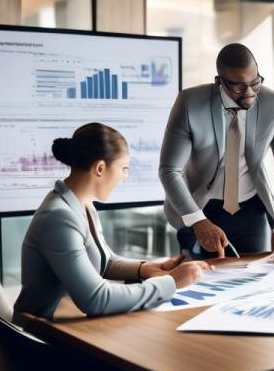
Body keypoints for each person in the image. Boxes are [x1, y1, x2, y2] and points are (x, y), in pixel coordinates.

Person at [14, 123, 205, 320]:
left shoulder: (82, 204)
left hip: (69, 326)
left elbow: (103, 261)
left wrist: (147, 269)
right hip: (42, 336)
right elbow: (97, 300)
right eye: (124, 168)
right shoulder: (59, 217)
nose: (125, 176)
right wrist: (171, 282)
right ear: (100, 168)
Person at [160, 44, 274, 265]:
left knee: (254, 277)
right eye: (240, 86)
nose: (250, 93)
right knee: (203, 276)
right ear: (220, 81)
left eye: (255, 82)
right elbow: (169, 170)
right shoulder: (189, 103)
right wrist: (197, 220)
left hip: (251, 209)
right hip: (201, 208)